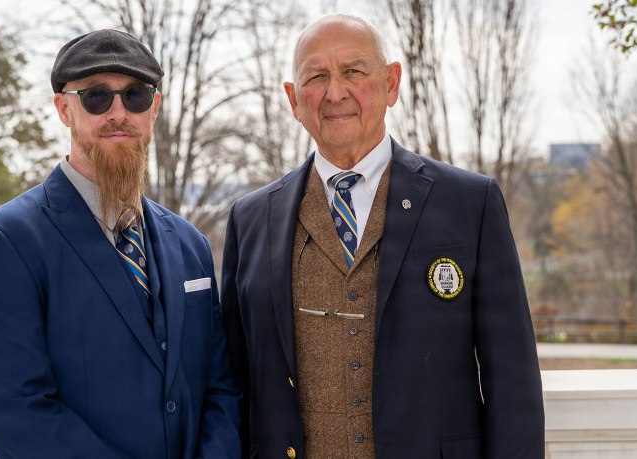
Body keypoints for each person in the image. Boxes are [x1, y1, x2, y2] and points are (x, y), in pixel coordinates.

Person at [221, 14, 544, 459]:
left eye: (353, 71)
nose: (335, 92)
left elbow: (513, 380)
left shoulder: (471, 203)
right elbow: (234, 385)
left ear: (391, 83)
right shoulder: (251, 218)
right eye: (317, 77)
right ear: (294, 100)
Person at [0, 29, 240, 458]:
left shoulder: (190, 244)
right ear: (64, 110)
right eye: (96, 97)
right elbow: (18, 411)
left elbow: (221, 387)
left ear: (154, 108)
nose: (118, 113)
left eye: (136, 96)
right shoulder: (1, 242)